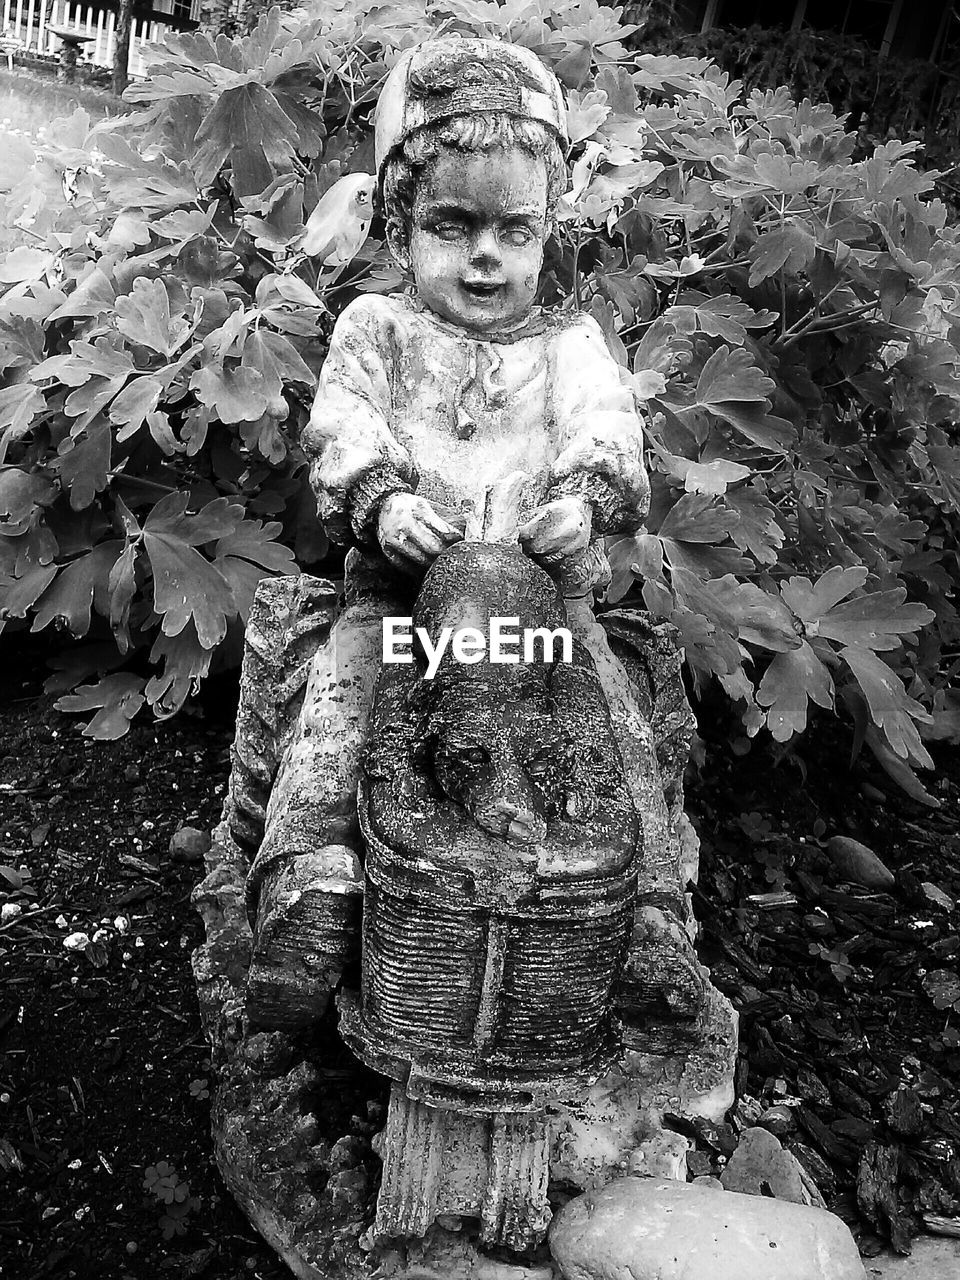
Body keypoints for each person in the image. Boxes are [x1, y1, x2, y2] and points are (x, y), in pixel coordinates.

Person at [243, 37, 702, 1027]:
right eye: (453, 225)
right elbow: (343, 424)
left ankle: (653, 908)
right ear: (401, 226)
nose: (486, 254)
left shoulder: (567, 347)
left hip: (541, 615)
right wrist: (383, 500)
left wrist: (583, 497)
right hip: (405, 607)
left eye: (513, 228)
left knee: (612, 724)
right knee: (341, 710)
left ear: (547, 232)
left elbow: (604, 425)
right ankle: (309, 884)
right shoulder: (380, 331)